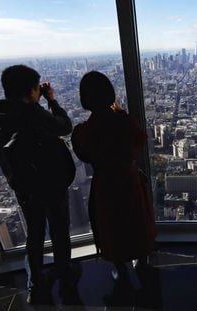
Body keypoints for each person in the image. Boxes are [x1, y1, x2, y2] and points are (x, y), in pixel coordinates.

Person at [0, 65, 76, 303]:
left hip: (23, 185)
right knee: (59, 231)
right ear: (32, 90)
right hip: (50, 182)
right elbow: (64, 126)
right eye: (37, 88)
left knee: (34, 234)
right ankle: (65, 277)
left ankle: (34, 284)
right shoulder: (31, 112)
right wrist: (51, 101)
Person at [71, 71, 156, 281]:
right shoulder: (124, 121)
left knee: (111, 222)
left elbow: (83, 154)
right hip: (128, 178)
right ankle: (142, 259)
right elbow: (140, 139)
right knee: (135, 218)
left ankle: (120, 264)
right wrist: (122, 114)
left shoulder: (83, 131)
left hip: (105, 183)